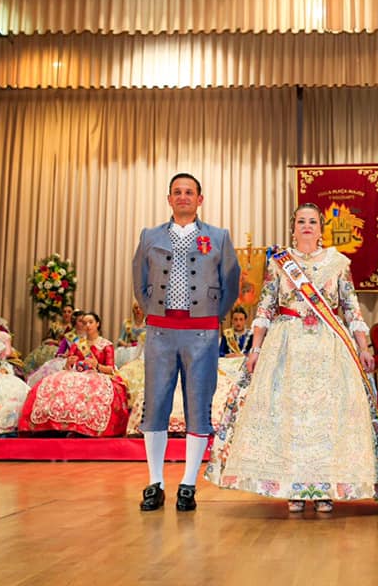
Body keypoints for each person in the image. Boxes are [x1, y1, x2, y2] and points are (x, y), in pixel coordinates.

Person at [205, 204, 378, 514]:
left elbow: (351, 308)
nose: (307, 226)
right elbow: (265, 307)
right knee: (290, 418)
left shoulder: (338, 263)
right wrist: (255, 348)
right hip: (287, 345)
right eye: (301, 221)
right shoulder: (279, 264)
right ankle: (292, 487)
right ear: (293, 228)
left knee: (326, 419)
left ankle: (325, 488)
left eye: (313, 221)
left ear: (321, 229)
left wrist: (363, 347)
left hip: (329, 347)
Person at [133, 173, 240, 512]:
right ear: (169, 199)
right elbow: (139, 280)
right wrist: (153, 311)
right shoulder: (150, 236)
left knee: (198, 406)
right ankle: (155, 483)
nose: (183, 197)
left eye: (189, 192)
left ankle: (188, 485)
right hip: (160, 332)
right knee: (155, 405)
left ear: (199, 199)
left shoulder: (218, 237)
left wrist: (211, 317)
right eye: (177, 192)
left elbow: (231, 283)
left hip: (202, 333)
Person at [19, 312, 129, 437]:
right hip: (76, 374)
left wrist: (97, 365)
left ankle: (84, 427)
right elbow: (68, 366)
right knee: (54, 383)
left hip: (97, 375)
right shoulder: (78, 344)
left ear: (97, 324)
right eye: (85, 323)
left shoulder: (106, 345)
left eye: (91, 322)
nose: (87, 325)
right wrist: (68, 363)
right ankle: (55, 424)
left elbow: (110, 369)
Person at [25, 309, 85, 387]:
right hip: (69, 361)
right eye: (80, 321)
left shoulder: (90, 336)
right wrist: (64, 355)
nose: (84, 323)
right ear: (75, 322)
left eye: (85, 321)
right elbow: (59, 353)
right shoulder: (69, 336)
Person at [23, 304, 75, 373]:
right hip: (54, 346)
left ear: (73, 313)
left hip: (69, 349)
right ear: (61, 313)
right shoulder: (56, 325)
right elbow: (47, 339)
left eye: (69, 312)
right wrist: (56, 342)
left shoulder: (75, 327)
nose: (66, 314)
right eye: (64, 312)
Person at [114, 301, 148, 369]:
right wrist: (126, 344)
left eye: (140, 308)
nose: (138, 310)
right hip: (129, 350)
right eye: (136, 308)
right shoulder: (127, 323)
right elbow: (120, 339)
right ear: (133, 310)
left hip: (142, 352)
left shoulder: (148, 325)